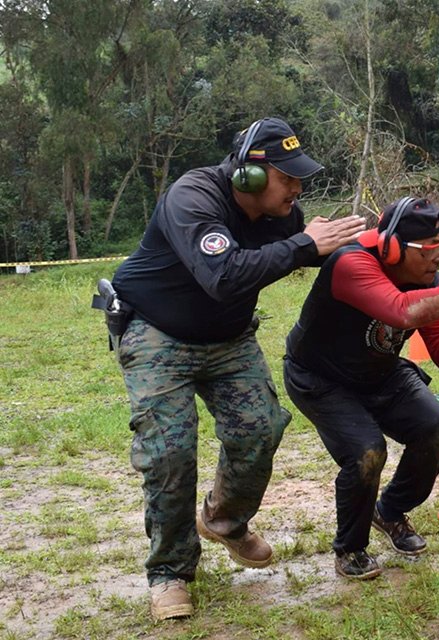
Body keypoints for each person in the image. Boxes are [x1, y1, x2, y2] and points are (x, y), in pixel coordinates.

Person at [109, 117, 365, 621]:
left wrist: (388, 243)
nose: (297, 189)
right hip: (157, 332)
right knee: (169, 452)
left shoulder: (281, 214)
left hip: (228, 338)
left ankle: (224, 520)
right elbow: (223, 276)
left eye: (299, 179)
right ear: (249, 173)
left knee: (261, 429)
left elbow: (314, 252)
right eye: (287, 178)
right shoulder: (193, 198)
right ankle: (170, 572)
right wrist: (304, 245)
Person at [283, 196, 439, 580]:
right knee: (367, 451)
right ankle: (350, 547)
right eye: (428, 250)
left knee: (435, 427)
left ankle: (389, 511)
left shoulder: (426, 277)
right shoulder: (351, 263)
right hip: (321, 378)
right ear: (393, 248)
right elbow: (402, 311)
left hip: (379, 371)